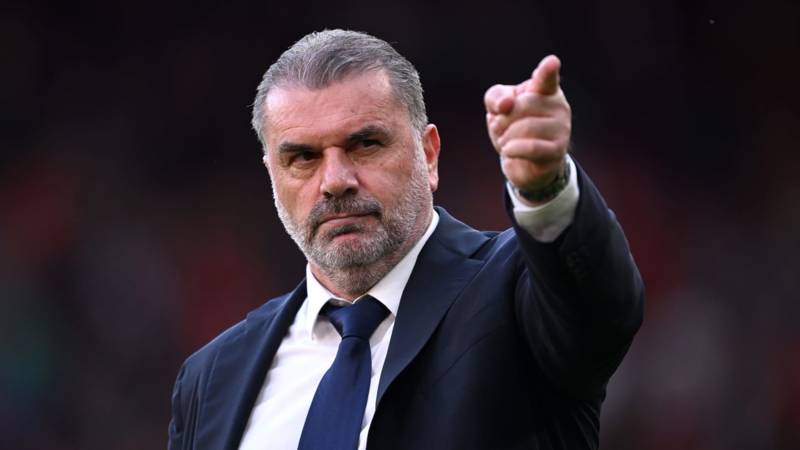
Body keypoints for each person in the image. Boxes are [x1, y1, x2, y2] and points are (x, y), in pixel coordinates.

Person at [168, 29, 644, 450]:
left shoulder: (518, 291)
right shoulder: (212, 378)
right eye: (303, 157)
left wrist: (546, 187)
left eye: (365, 144)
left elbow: (602, 309)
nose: (335, 181)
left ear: (428, 155)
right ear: (273, 176)